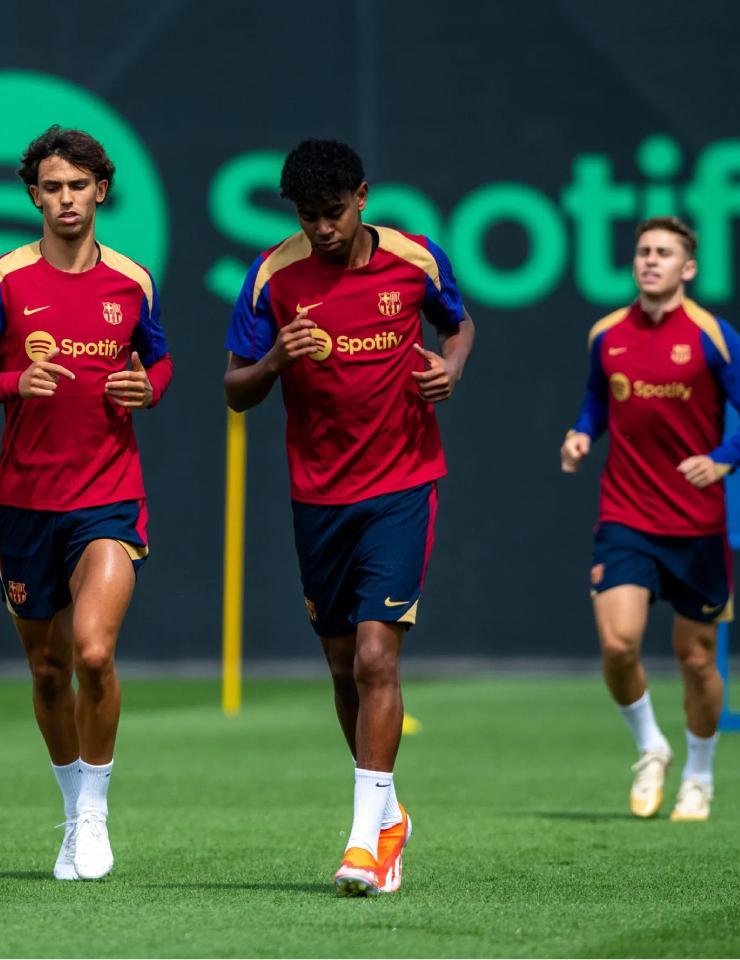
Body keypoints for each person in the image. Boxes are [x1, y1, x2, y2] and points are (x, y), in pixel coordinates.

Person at [222, 139, 473, 896]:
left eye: (333, 212)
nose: (322, 228)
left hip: (402, 484)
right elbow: (234, 389)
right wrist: (275, 362)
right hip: (318, 493)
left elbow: (457, 325)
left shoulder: (415, 259)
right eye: (308, 215)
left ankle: (363, 841)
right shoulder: (273, 275)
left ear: (362, 196)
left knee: (375, 658)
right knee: (341, 667)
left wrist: (449, 369)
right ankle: (389, 814)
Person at [0, 125, 172, 881]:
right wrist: (12, 383)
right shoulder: (5, 279)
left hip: (108, 496)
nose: (66, 199)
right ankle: (70, 810)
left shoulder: (131, 281)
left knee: (94, 652)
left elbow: (160, 358)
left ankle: (95, 817)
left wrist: (150, 386)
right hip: (26, 501)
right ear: (34, 195)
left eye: (79, 185)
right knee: (47, 671)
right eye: (52, 187)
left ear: (100, 191)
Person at [560, 215, 740, 823]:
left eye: (664, 252)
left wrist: (722, 460)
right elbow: (597, 401)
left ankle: (700, 775)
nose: (650, 260)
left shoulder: (712, 335)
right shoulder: (607, 334)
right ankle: (652, 746)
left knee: (697, 658)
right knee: (618, 644)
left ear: (688, 268)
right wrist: (581, 433)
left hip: (697, 525)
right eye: (643, 251)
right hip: (626, 516)